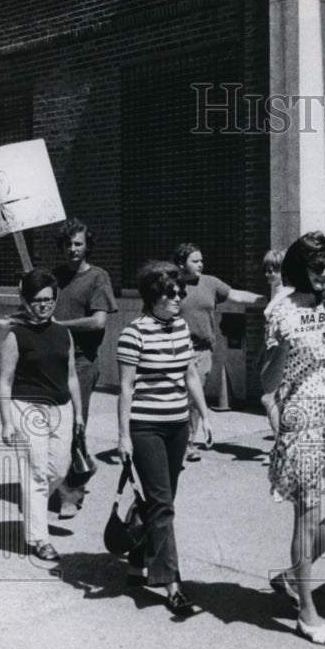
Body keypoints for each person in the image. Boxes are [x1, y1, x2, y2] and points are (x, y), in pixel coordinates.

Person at [262, 232, 325, 646]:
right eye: (317, 266)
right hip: (302, 423)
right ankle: (306, 611)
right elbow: (266, 380)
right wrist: (283, 350)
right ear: (299, 269)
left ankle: (291, 576)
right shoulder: (281, 312)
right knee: (307, 515)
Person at [117, 261, 212, 616]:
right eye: (172, 293)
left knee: (162, 501)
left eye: (180, 292)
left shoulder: (181, 328)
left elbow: (189, 375)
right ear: (154, 297)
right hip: (146, 428)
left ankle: (137, 559)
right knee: (163, 504)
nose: (178, 298)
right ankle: (172, 584)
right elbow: (126, 388)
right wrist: (124, 436)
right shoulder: (133, 334)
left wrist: (205, 415)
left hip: (177, 427)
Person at [0, 268, 83, 561]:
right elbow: (5, 381)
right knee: (35, 471)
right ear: (26, 301)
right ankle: (39, 539)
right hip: (27, 408)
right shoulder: (15, 336)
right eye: (37, 300)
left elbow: (72, 376)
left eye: (48, 299)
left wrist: (79, 413)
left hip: (62, 407)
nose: (44, 305)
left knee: (60, 468)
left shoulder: (63, 332)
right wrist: (7, 422)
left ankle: (33, 504)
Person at [173, 243, 267, 462]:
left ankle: (188, 443)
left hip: (202, 351)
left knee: (195, 400)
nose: (200, 264)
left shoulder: (210, 283)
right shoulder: (171, 285)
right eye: (195, 261)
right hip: (176, 351)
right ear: (181, 264)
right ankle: (176, 441)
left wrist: (268, 301)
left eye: (201, 260)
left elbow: (236, 295)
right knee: (178, 398)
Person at [51, 219, 118, 515]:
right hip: (51, 361)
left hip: (81, 362)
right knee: (52, 427)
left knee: (75, 426)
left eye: (78, 243)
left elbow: (98, 321)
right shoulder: (54, 277)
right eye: (67, 244)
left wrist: (59, 326)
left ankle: (71, 495)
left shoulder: (98, 277)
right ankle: (65, 477)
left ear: (87, 244)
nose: (72, 249)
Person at [260, 249, 287, 435]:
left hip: (279, 351)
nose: (269, 274)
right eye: (267, 269)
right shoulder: (279, 293)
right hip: (272, 349)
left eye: (274, 269)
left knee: (270, 398)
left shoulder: (286, 294)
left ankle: (281, 442)